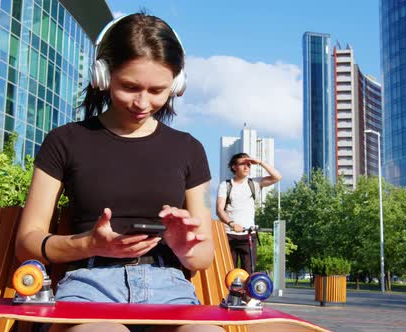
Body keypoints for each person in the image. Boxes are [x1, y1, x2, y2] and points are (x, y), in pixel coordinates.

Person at [15, 13, 223, 332]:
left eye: (157, 90)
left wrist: (187, 250)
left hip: (170, 288)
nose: (142, 103)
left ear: (177, 85)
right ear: (103, 75)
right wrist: (89, 245)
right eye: (129, 86)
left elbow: (204, 254)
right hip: (89, 287)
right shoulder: (64, 141)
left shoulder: (189, 149)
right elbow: (27, 242)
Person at [215, 153, 282, 273]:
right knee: (229, 272)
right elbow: (219, 210)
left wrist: (260, 162)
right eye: (242, 164)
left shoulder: (254, 183)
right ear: (234, 167)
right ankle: (230, 292)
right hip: (229, 234)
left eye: (249, 164)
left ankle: (246, 293)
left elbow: (277, 177)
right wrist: (232, 224)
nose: (246, 167)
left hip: (248, 235)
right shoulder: (225, 185)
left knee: (249, 272)